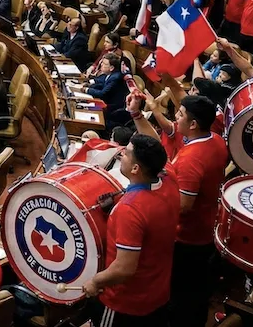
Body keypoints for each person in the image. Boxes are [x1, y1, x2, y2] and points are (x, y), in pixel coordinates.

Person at [132, 93, 227, 327]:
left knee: (180, 299)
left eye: (180, 114)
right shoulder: (213, 138)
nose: (176, 116)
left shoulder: (191, 160)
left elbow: (183, 206)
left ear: (193, 124)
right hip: (205, 230)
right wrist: (136, 114)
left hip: (187, 239)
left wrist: (147, 200)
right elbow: (160, 151)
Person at [82, 134, 178, 325]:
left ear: (136, 168)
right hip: (156, 292)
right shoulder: (169, 178)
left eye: (125, 154)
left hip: (125, 302)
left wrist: (95, 282)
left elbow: (124, 269)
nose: (120, 155)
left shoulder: (130, 210)